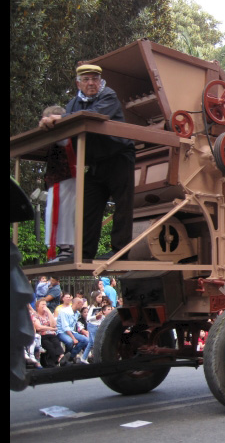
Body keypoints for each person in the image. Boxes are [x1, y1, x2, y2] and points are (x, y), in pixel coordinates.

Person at [38, 63, 135, 261]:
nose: (91, 83)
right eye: (86, 79)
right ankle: (84, 253)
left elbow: (91, 117)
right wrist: (49, 123)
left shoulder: (108, 96)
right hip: (95, 163)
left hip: (118, 157)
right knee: (88, 207)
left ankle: (120, 252)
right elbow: (67, 125)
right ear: (78, 83)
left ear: (100, 82)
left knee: (123, 205)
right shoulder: (73, 104)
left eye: (94, 79)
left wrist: (58, 118)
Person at [42, 105, 77, 262]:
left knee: (63, 213)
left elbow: (63, 142)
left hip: (64, 177)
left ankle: (66, 249)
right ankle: (63, 249)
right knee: (54, 213)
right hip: (58, 179)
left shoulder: (64, 135)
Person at [32, 299, 64, 367]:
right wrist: (51, 329)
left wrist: (49, 312)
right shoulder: (35, 315)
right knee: (50, 346)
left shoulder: (47, 314)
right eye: (42, 304)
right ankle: (60, 360)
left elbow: (53, 324)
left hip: (51, 334)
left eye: (45, 305)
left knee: (56, 343)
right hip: (42, 335)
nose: (44, 306)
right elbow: (39, 328)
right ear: (37, 306)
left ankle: (61, 357)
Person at [56, 297, 89, 364]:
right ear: (78, 303)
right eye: (81, 304)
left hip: (72, 331)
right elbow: (65, 327)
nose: (82, 306)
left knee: (86, 340)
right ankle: (67, 357)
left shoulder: (77, 313)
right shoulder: (64, 312)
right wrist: (73, 338)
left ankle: (70, 356)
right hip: (62, 332)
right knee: (70, 341)